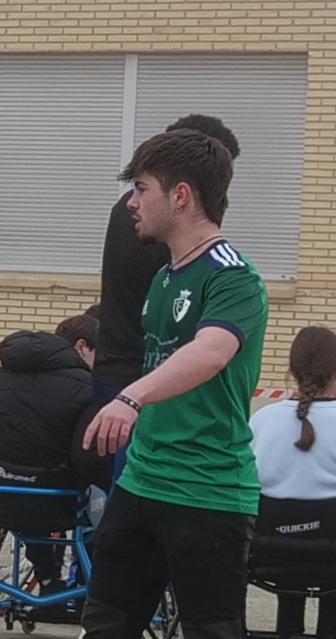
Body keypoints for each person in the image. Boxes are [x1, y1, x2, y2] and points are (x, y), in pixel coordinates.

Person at [0, 125, 269, 639]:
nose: (129, 203)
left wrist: (130, 396)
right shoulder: (165, 278)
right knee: (106, 627)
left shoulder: (232, 277)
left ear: (181, 195)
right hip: (145, 485)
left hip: (207, 493)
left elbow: (211, 352)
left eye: (139, 189)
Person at [86, 115, 243, 477]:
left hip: (123, 370)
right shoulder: (162, 233)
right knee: (134, 488)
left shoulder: (141, 215)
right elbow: (205, 345)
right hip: (144, 378)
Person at [0, 311, 108, 597]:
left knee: (28, 500)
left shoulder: (2, 376)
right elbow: (85, 458)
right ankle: (91, 588)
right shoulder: (87, 387)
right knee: (101, 503)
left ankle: (49, 580)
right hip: (58, 499)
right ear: (81, 347)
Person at [249, 326, 336, 639]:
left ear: (292, 371)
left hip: (271, 549)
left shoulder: (263, 419)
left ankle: (289, 633)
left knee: (287, 531)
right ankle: (326, 637)